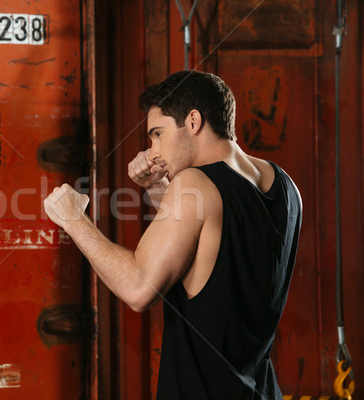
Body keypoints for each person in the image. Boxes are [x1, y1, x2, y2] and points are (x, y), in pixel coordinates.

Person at [44, 70, 302, 399]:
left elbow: (139, 287)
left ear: (193, 121)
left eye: (157, 134)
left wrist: (73, 220)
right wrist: (157, 186)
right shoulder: (285, 185)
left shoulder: (194, 183)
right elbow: (206, 249)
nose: (152, 152)